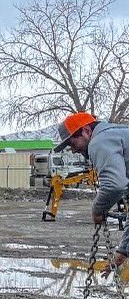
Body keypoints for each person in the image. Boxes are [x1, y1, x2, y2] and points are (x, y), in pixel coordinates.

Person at [55, 111, 129, 266]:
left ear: (87, 131)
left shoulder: (99, 142)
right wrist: (123, 251)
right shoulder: (119, 135)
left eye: (73, 143)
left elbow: (114, 186)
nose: (74, 150)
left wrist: (97, 209)